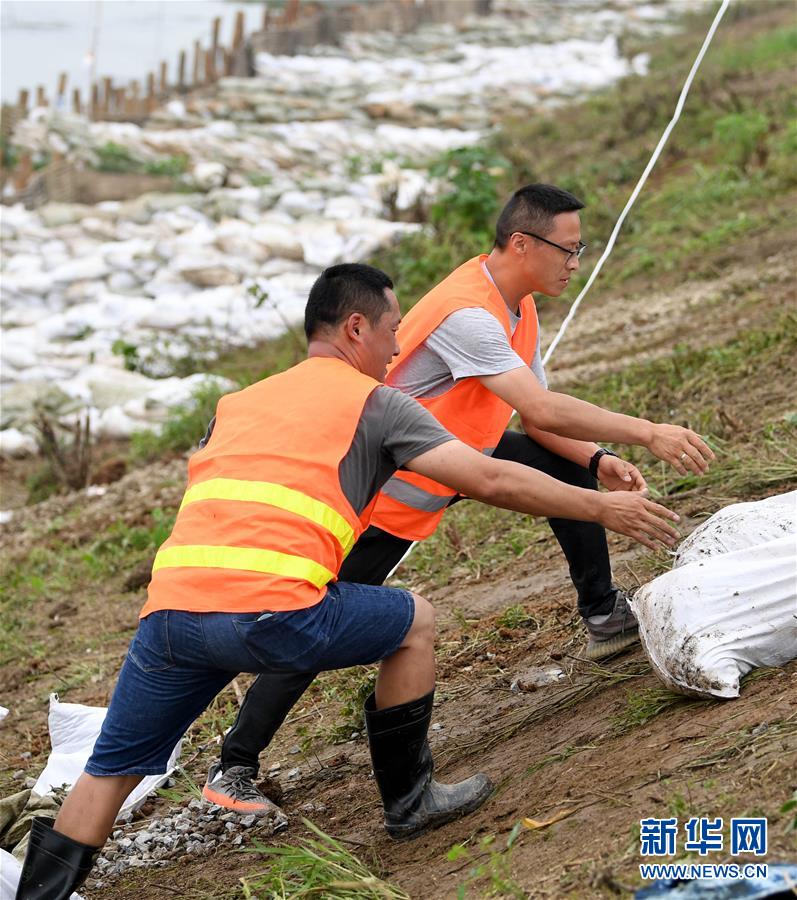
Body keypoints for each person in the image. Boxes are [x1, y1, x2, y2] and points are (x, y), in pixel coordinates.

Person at [16, 264, 684, 900]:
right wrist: (600, 505)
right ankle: (410, 801)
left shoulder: (237, 402)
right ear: (356, 330)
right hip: (272, 610)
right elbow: (487, 476)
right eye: (392, 331)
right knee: (414, 620)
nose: (398, 350)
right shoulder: (377, 403)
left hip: (170, 616)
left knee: (108, 772)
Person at [205, 185, 715, 817]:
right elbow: (542, 407)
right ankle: (234, 766)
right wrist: (648, 431)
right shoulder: (467, 314)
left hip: (451, 458)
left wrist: (596, 458)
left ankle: (604, 617)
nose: (576, 262)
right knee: (312, 623)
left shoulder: (518, 308)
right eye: (570, 247)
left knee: (558, 462)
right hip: (381, 493)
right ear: (523, 244)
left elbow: (539, 422)